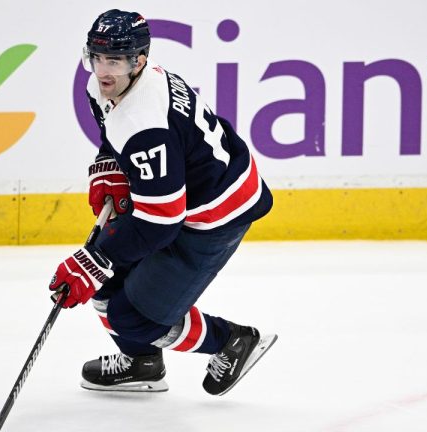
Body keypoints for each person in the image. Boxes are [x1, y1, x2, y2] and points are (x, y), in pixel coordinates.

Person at [48, 9, 277, 396]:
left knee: (132, 316)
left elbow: (160, 222)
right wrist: (110, 164)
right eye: (97, 57)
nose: (103, 71)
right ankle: (142, 363)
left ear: (138, 60)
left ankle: (233, 341)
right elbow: (114, 132)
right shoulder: (115, 85)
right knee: (107, 287)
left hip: (215, 214)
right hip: (183, 194)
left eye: (115, 61)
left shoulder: (145, 123)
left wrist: (94, 260)